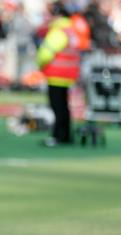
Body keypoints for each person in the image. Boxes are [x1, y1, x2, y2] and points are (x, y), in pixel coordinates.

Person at [37, 3, 80, 147]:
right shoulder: (71, 30)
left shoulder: (58, 31)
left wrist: (40, 64)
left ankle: (57, 135)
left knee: (56, 107)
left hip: (56, 75)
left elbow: (46, 53)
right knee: (64, 106)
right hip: (68, 75)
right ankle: (66, 135)